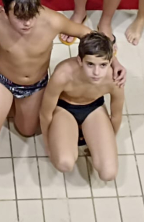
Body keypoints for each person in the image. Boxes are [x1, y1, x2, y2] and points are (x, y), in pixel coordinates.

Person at [0, 0, 126, 178]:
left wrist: (114, 62)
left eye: (31, 15)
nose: (27, 23)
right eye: (20, 17)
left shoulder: (52, 20)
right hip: (2, 79)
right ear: (6, 11)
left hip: (35, 84)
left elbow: (89, 35)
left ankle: (8, 103)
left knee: (27, 130)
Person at [39, 32, 124, 181]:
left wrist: (108, 140)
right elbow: (45, 113)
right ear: (80, 60)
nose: (96, 73)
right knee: (64, 163)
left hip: (93, 108)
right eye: (90, 64)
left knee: (108, 173)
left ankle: (85, 132)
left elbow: (116, 116)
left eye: (103, 65)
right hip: (64, 108)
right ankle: (70, 132)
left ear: (110, 62)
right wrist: (47, 143)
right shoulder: (63, 75)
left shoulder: (114, 80)